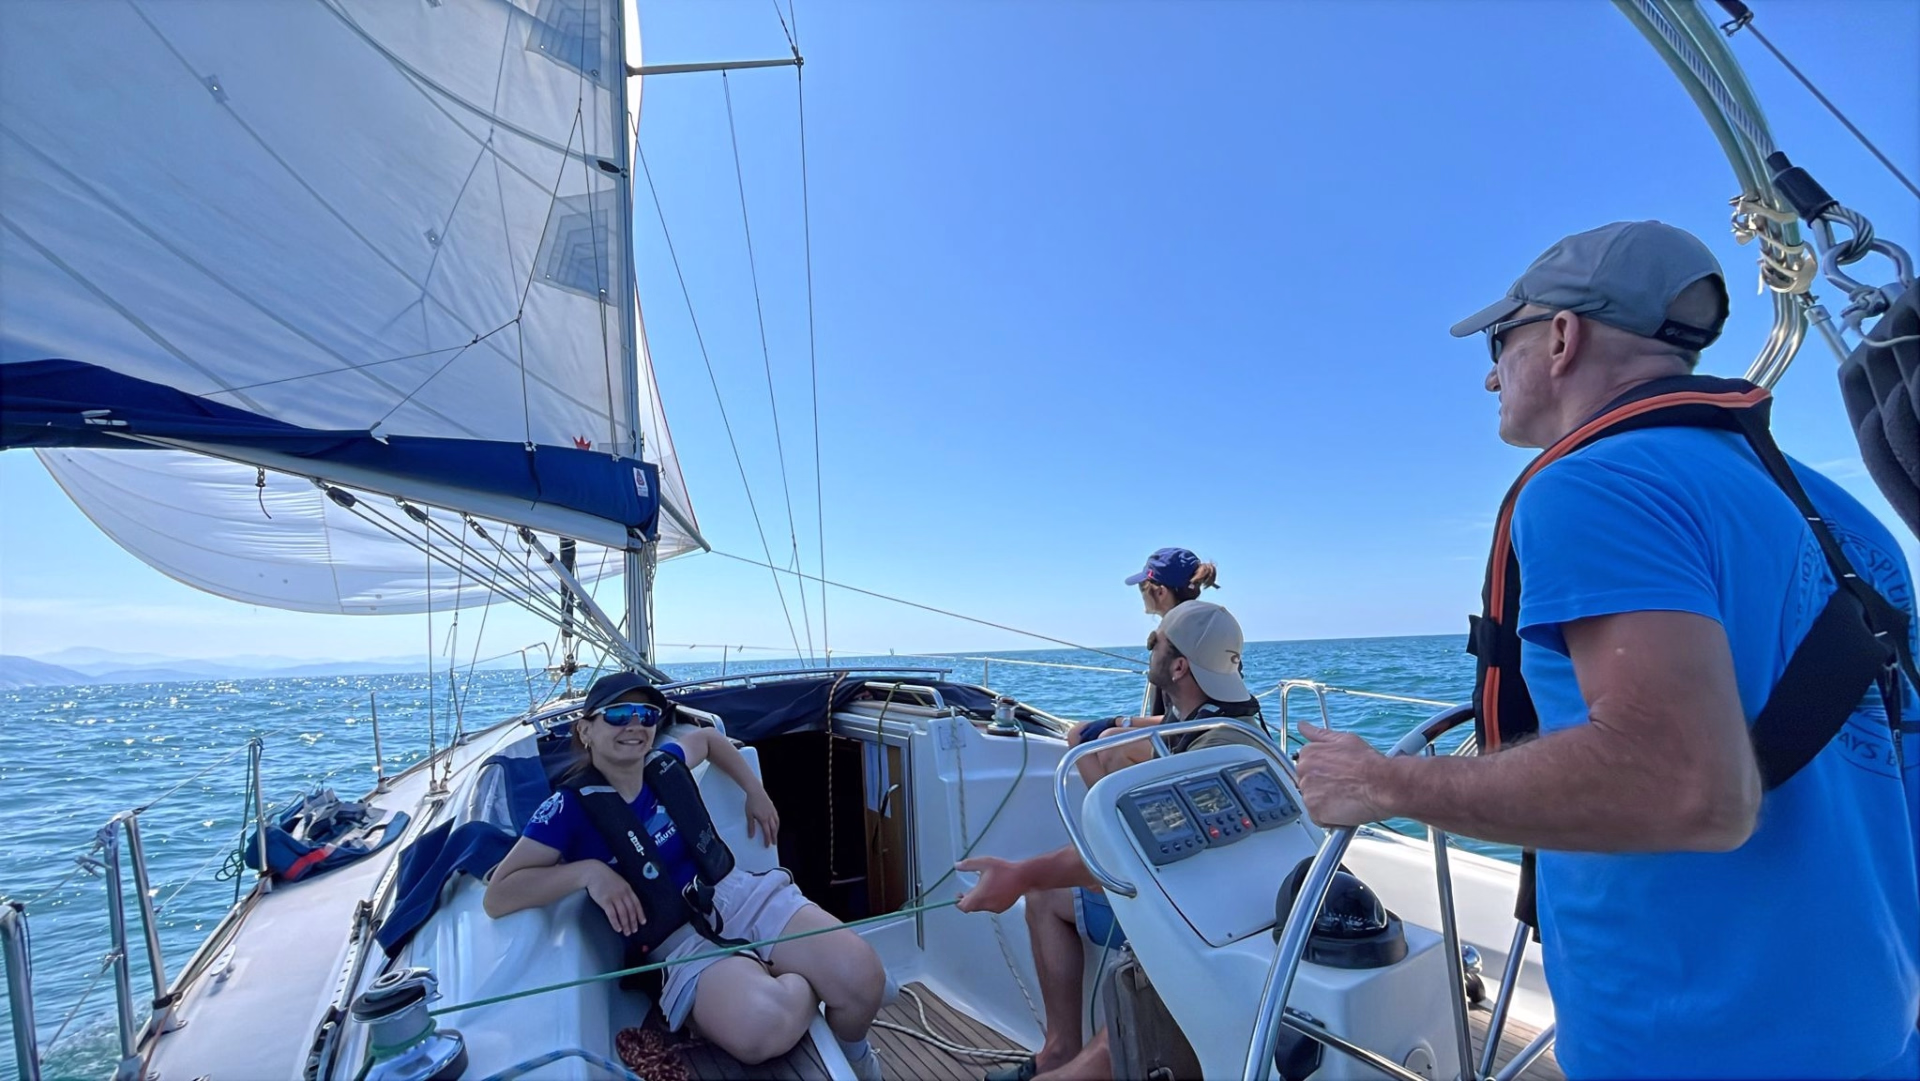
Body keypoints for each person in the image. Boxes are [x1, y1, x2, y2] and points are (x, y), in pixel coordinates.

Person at [1295, 220, 1920, 1078]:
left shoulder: (1593, 484)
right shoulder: (1847, 519)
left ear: (1561, 337)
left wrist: (1381, 783)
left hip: (1694, 1049)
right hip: (1876, 1027)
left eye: (1499, 342)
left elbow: (1687, 784)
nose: (1490, 374)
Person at [485, 673, 888, 1079]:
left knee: (863, 977)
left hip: (738, 894)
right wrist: (587, 873)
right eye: (618, 714)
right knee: (761, 1030)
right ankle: (792, 977)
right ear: (585, 730)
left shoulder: (666, 763)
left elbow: (710, 739)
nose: (635, 725)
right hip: (676, 941)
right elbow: (499, 894)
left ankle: (855, 1055)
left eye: (646, 715)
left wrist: (755, 790)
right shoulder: (565, 809)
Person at [959, 601, 1268, 1081]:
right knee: (1048, 899)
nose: (1149, 648)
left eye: (1155, 642)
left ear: (1179, 666)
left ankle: (1073, 1067)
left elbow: (1124, 858)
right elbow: (1168, 732)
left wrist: (1018, 875)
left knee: (1138, 963)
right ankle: (1059, 1050)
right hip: (1226, 910)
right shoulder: (1229, 722)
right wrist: (1116, 725)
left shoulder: (1205, 758)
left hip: (1200, 938)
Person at [1126, 547, 1220, 618]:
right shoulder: (1209, 624)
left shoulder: (1166, 637)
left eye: (1142, 586)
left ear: (1161, 592)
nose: (1141, 593)